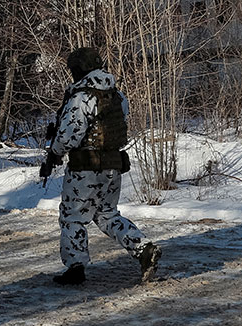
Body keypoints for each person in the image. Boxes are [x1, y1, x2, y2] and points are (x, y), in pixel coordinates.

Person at [41, 47, 161, 285]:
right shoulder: (117, 95)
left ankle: (75, 268)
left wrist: (54, 153)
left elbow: (69, 137)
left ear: (79, 70)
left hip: (85, 169)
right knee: (107, 215)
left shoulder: (81, 97)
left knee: (73, 217)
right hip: (112, 166)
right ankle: (144, 248)